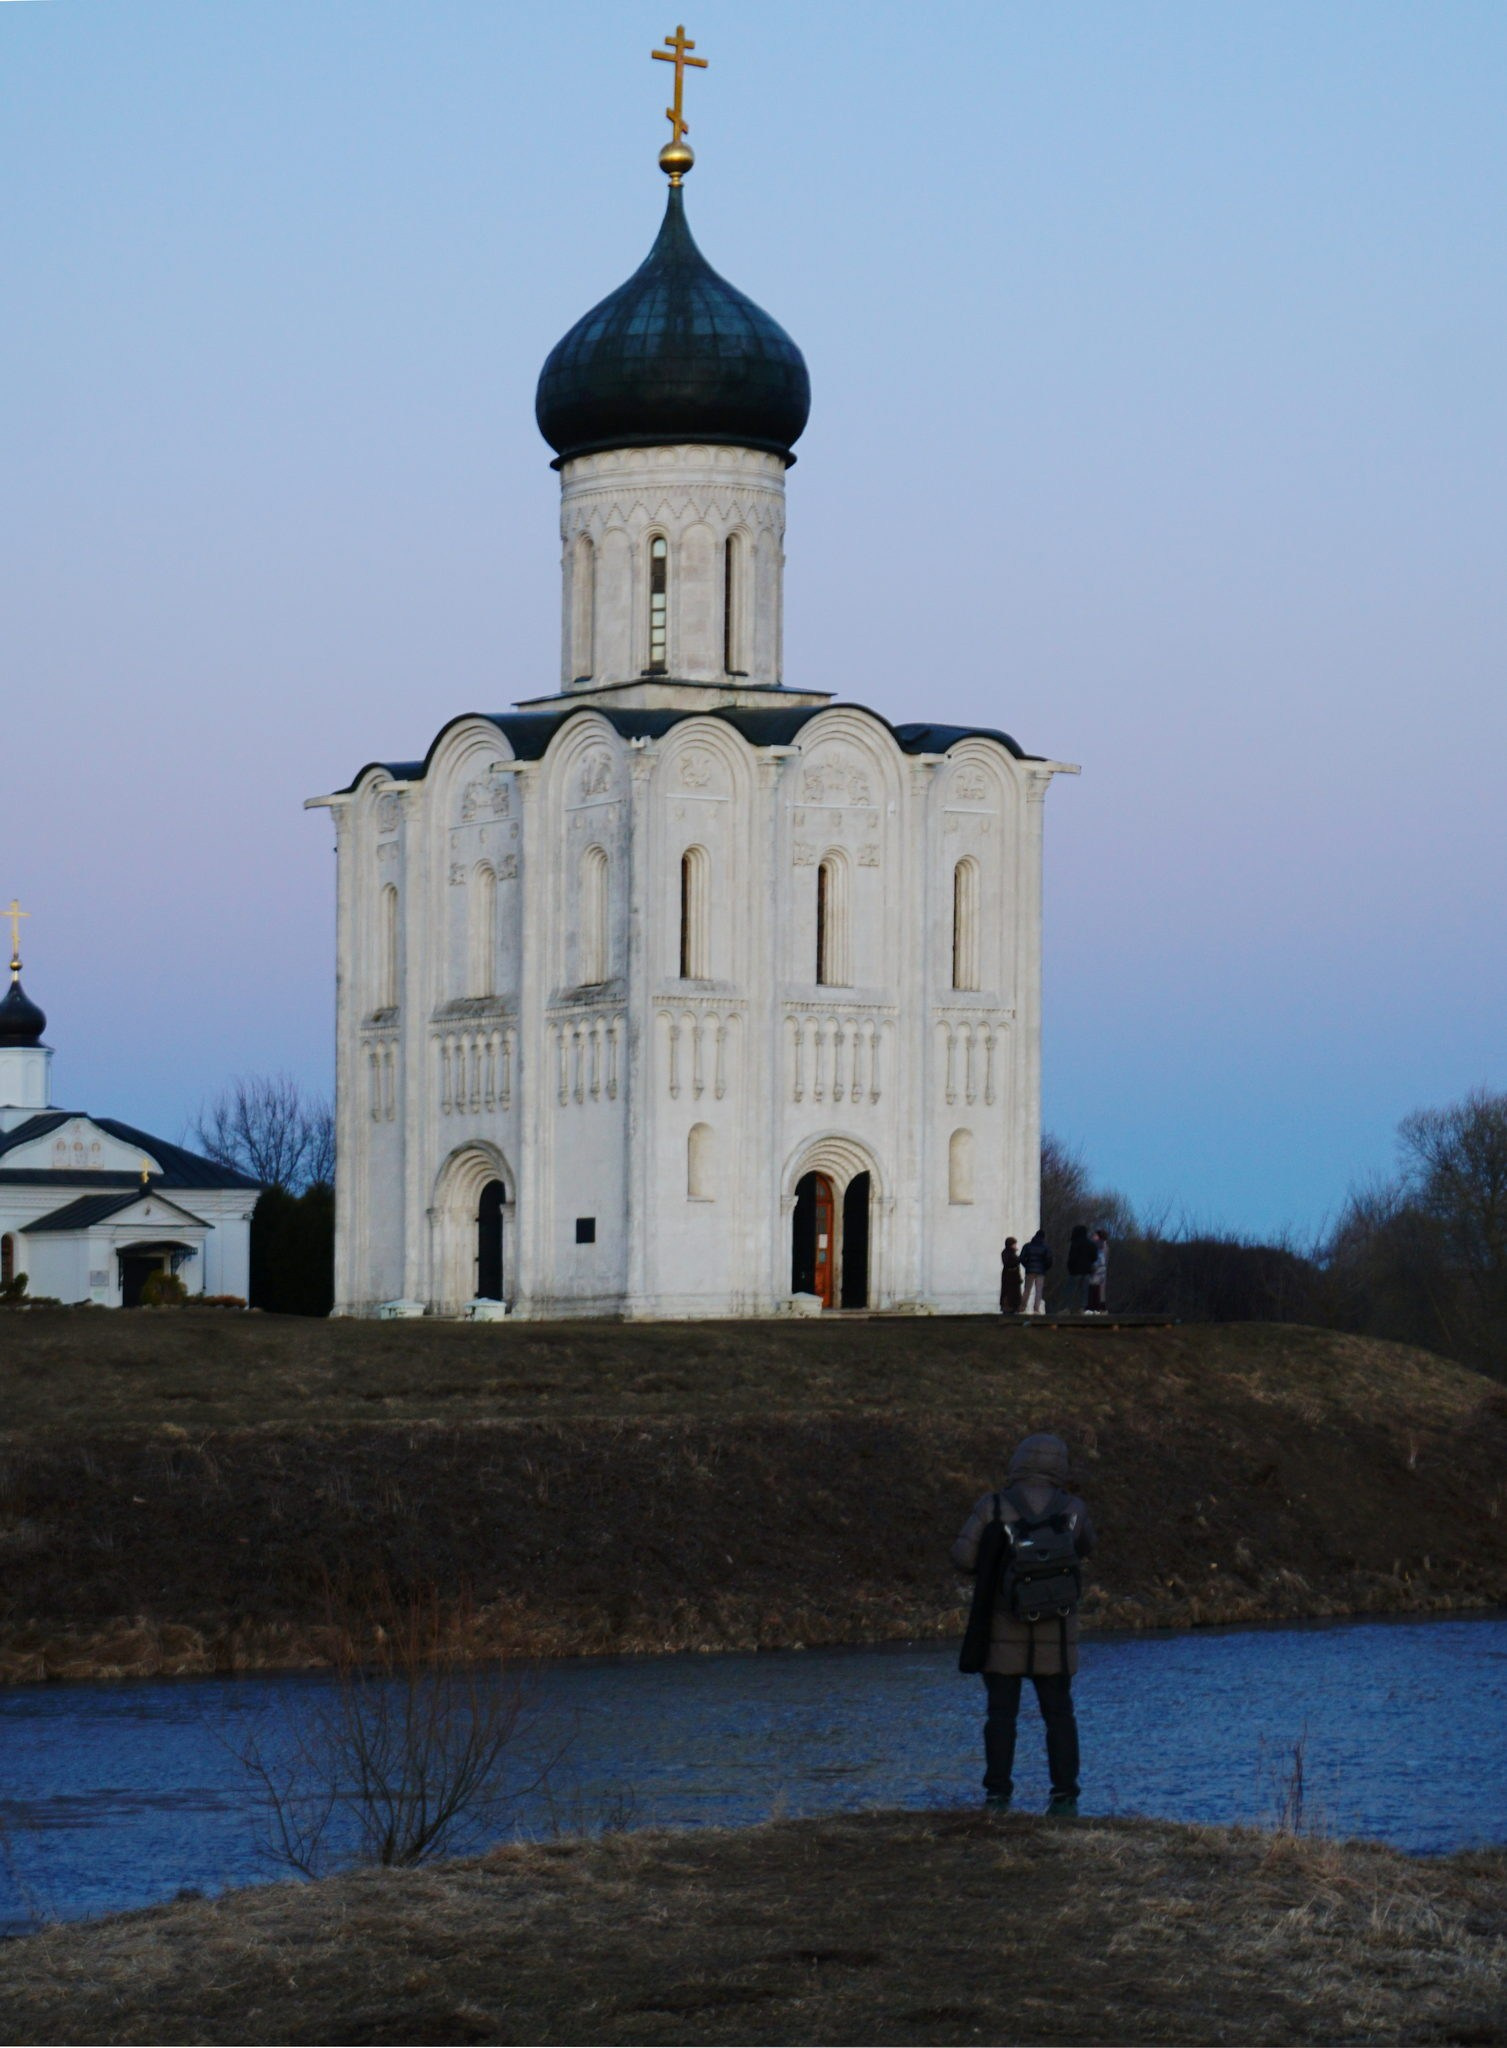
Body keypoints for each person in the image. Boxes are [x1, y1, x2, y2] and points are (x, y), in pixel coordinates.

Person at [952, 1432, 1096, 1814]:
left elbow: (963, 1557)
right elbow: (1086, 1548)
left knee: (1001, 1716)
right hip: (1058, 1633)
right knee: (1060, 1716)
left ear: (1018, 1461)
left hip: (1002, 1630)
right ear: (1060, 1466)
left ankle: (998, 1795)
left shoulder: (994, 1505)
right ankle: (1064, 1796)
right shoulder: (1073, 1508)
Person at [1018, 1229, 1052, 1314]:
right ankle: (1036, 1309)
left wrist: (1027, 1266)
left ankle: (1022, 1308)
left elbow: (1021, 1258)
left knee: (1027, 1290)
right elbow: (1049, 1260)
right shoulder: (1045, 1247)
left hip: (1029, 1271)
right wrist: (1044, 1268)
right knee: (1039, 1291)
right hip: (1041, 1272)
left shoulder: (1027, 1246)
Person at [1065, 1223, 1095, 1312]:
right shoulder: (1090, 1244)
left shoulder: (1074, 1243)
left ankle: (1068, 1307)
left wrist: (1070, 1267)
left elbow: (1072, 1257)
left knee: (1071, 1290)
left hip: (1075, 1271)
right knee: (1084, 1292)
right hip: (1086, 1271)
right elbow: (1094, 1257)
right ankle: (1082, 1308)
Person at [1086, 1229, 1110, 1314]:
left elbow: (1099, 1259)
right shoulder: (1104, 1245)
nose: (1093, 1237)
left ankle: (1095, 1308)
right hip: (1101, 1272)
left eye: (1095, 1236)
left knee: (1095, 1290)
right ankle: (1100, 1307)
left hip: (1097, 1272)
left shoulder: (1099, 1246)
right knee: (1100, 1291)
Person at [999, 1237, 1022, 1315]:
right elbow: (1008, 1263)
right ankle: (1008, 1307)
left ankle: (1014, 1307)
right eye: (1014, 1244)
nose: (1015, 1246)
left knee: (1015, 1293)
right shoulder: (1006, 1253)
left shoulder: (1011, 1253)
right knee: (1008, 1292)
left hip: (1013, 1276)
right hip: (1009, 1276)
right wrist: (1017, 1260)